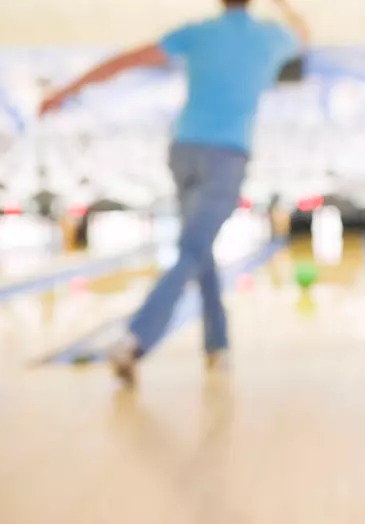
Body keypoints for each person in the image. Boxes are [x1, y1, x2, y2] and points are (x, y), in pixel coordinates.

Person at [40, 0, 310, 386]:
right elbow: (304, 32)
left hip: (184, 151)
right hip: (227, 157)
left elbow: (124, 61)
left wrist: (64, 92)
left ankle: (217, 344)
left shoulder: (198, 33)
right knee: (193, 249)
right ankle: (135, 339)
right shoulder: (270, 37)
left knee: (198, 248)